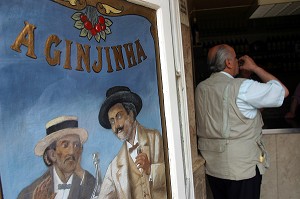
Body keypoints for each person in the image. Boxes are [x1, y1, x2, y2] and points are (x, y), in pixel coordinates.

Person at [195, 44, 289, 199]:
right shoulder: (242, 87)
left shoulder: (201, 88)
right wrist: (255, 68)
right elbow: (282, 92)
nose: (238, 60)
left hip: (214, 169)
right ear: (229, 63)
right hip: (241, 170)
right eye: (235, 58)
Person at [97, 86, 167, 199]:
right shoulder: (114, 166)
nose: (116, 126)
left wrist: (150, 169)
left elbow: (175, 172)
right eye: (112, 121)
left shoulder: (155, 138)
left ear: (131, 114)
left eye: (119, 116)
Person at [17, 115, 95, 199]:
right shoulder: (29, 194)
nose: (72, 152)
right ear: (52, 155)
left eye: (76, 145)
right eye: (65, 145)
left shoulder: (91, 186)